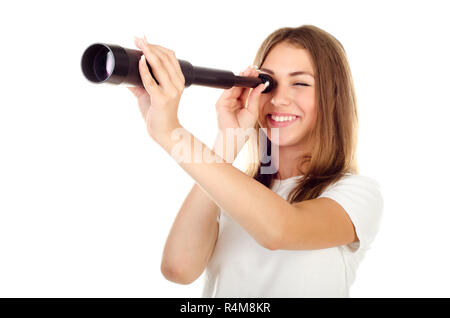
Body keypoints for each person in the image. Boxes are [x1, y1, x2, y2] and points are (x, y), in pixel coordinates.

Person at [127, 24, 384, 298]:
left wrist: (170, 133)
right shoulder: (234, 192)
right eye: (268, 83)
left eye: (300, 83)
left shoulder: (356, 194)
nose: (278, 99)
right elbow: (178, 268)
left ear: (333, 96)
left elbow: (279, 230)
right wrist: (229, 141)